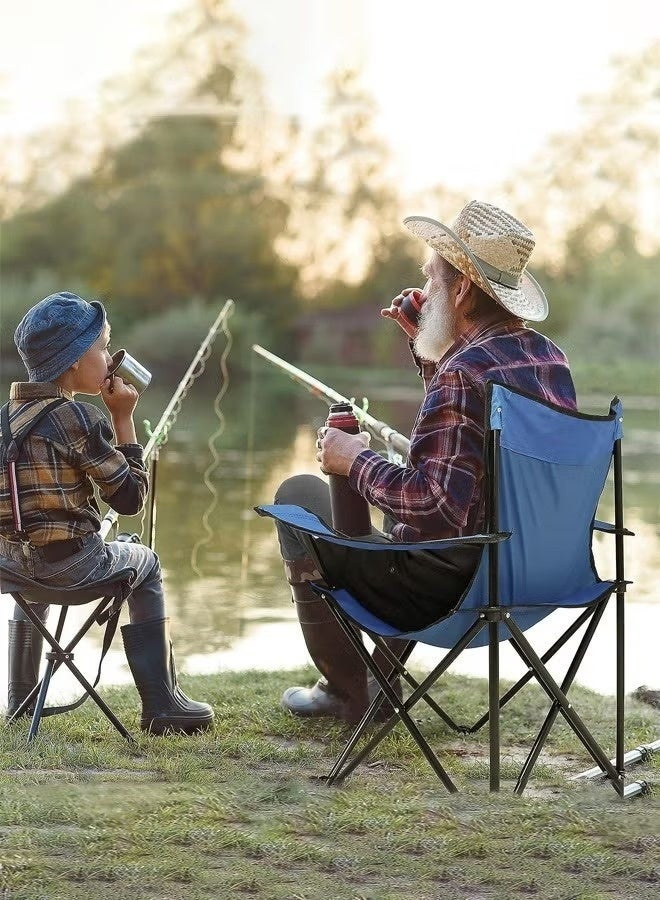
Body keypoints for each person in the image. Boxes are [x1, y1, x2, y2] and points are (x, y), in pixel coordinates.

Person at [273, 200, 578, 724]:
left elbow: (435, 504)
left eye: (433, 280)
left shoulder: (464, 373)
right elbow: (465, 457)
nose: (427, 287)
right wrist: (430, 353)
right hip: (538, 579)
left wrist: (354, 460)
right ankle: (371, 684)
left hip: (452, 590)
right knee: (398, 509)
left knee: (298, 495)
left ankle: (350, 691)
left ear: (461, 290)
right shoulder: (548, 358)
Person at [0, 291, 213, 735]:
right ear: (76, 361)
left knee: (36, 559)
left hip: (12, 570)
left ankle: (19, 701)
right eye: (102, 347)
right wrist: (123, 420)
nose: (108, 359)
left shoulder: (4, 420)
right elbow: (131, 500)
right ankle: (161, 704)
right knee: (147, 562)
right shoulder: (78, 418)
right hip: (73, 570)